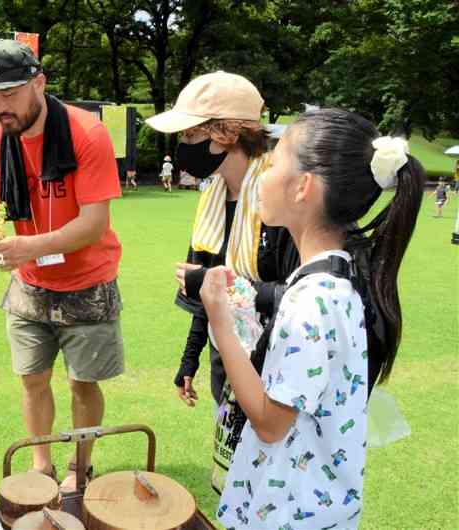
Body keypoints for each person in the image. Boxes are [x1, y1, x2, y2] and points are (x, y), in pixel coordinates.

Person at [201, 109, 424, 529]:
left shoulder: (314, 301)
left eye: (274, 162)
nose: (262, 174)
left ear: (303, 186)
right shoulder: (340, 277)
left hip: (287, 514)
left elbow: (270, 423)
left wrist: (221, 323)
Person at [0, 40, 125, 492]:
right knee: (32, 379)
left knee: (82, 383)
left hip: (88, 280)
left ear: (39, 83)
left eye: (9, 94)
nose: (0, 108)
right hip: (29, 284)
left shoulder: (86, 133)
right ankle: (41, 464)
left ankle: (79, 464)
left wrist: (28, 246)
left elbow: (93, 224)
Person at [146, 71, 300, 492]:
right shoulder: (213, 197)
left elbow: (303, 298)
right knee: (234, 475)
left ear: (225, 133)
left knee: (273, 477)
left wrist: (217, 286)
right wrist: (190, 358)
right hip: (226, 360)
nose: (182, 147)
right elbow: (206, 290)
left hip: (279, 369)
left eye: (190, 134)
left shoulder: (283, 201)